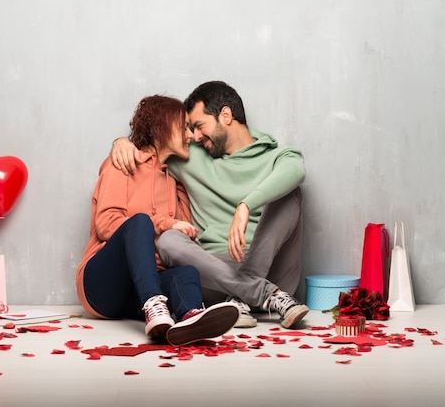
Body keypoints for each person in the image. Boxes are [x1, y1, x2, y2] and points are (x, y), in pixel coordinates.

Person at [111, 81, 309, 329]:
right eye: (190, 129)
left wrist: (246, 205)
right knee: (168, 240)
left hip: (273, 270)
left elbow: (296, 171)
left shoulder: (278, 157)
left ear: (225, 115)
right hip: (214, 275)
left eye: (199, 125)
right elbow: (152, 148)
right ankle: (257, 293)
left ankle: (245, 292)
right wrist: (122, 142)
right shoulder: (189, 155)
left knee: (291, 194)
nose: (194, 135)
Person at [76, 94, 239, 346]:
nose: (190, 135)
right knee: (140, 221)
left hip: (138, 292)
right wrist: (162, 222)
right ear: (163, 125)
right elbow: (107, 224)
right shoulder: (124, 163)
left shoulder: (175, 182)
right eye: (184, 126)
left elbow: (183, 239)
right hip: (102, 286)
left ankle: (191, 318)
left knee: (186, 272)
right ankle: (155, 305)